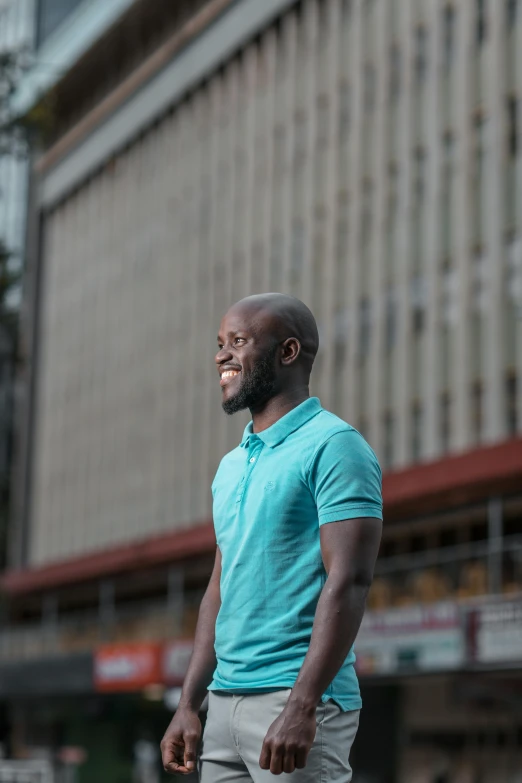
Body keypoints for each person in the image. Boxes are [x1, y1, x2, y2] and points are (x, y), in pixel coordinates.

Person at [161, 293, 383, 781]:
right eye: (220, 343)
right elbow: (220, 588)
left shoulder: (335, 446)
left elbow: (349, 579)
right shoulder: (231, 465)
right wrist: (188, 704)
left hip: (295, 701)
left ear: (287, 353)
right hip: (222, 705)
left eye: (238, 341)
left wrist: (302, 706)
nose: (221, 355)